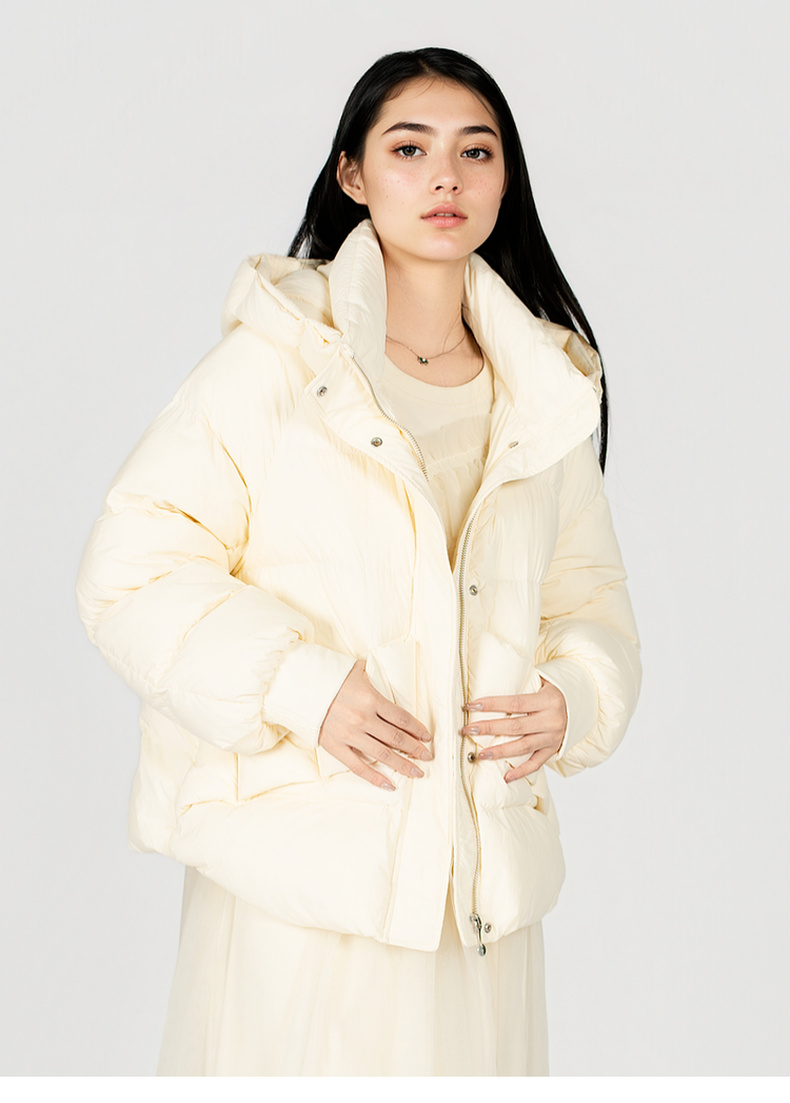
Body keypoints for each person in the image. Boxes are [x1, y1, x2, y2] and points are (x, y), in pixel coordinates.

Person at [76, 46, 641, 1077]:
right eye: (409, 149)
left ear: (505, 178)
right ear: (352, 175)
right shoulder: (279, 361)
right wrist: (300, 683)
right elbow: (132, 568)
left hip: (475, 889)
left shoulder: (543, 393)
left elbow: (589, 595)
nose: (445, 177)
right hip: (307, 876)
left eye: (476, 151)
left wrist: (575, 695)